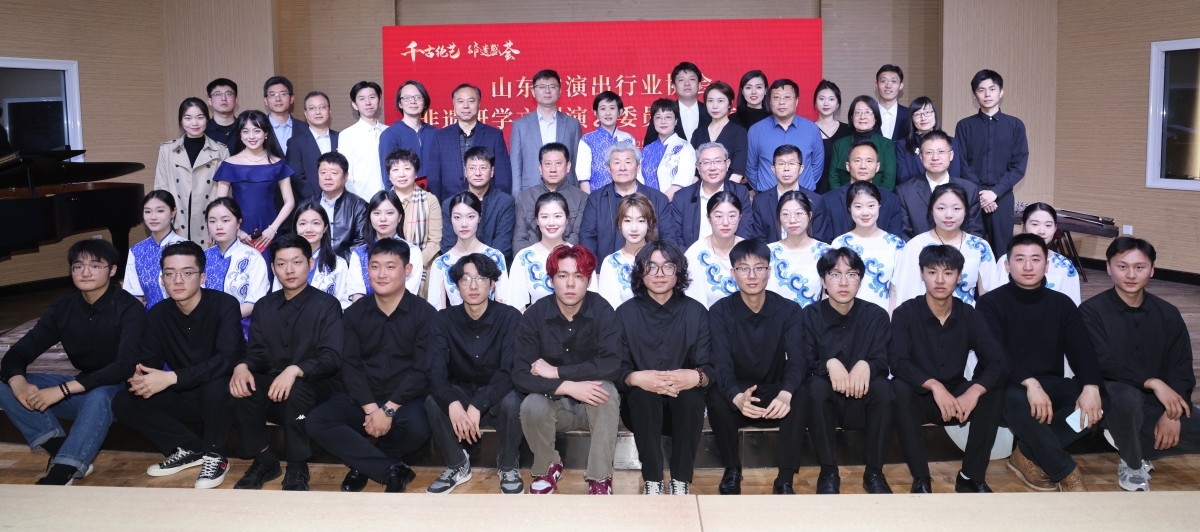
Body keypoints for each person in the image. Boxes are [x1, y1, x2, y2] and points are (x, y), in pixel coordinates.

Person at [0, 239, 143, 485]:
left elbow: (124, 367)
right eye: (78, 266)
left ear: (112, 270)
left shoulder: (130, 308)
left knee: (100, 394)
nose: (85, 272)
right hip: (81, 389)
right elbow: (21, 351)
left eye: (95, 266)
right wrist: (17, 382)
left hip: (122, 391)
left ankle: (64, 470)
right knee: (5, 383)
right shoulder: (63, 308)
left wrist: (63, 390)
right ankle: (59, 448)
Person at [110, 241, 243, 489]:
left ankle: (216, 455)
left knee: (214, 386)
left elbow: (227, 359)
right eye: (170, 274)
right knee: (124, 400)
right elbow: (149, 362)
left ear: (202, 277)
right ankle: (191, 448)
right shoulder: (158, 314)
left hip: (225, 398)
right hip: (187, 396)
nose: (178, 280)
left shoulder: (225, 305)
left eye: (187, 272)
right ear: (162, 279)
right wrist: (140, 376)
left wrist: (172, 378)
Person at [305, 238, 434, 493]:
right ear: (367, 270)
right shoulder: (354, 313)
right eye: (375, 267)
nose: (381, 274)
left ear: (407, 270)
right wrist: (372, 408)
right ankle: (390, 468)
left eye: (390, 266)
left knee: (418, 427)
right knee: (317, 421)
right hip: (362, 397)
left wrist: (388, 410)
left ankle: (362, 466)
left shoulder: (425, 314)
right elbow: (349, 364)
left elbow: (422, 369)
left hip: (405, 399)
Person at [978, 233, 1104, 493]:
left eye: (1035, 259)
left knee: (1104, 399)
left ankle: (1027, 452)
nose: (1028, 266)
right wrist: (1030, 383)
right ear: (1007, 265)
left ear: (1046, 265)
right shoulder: (989, 303)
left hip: (1048, 385)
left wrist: (1091, 386)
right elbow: (995, 355)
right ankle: (1066, 471)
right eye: (1020, 259)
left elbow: (1082, 350)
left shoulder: (1062, 304)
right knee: (1015, 397)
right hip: (1003, 385)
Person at [1081, 237, 1200, 492]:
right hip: (1112, 404)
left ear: (1152, 270)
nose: (1131, 275)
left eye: (1139, 267)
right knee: (1125, 395)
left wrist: (1173, 414)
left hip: (1157, 405)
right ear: (1109, 268)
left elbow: (1181, 367)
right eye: (1122, 266)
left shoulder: (1168, 313)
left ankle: (1129, 441)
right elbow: (1102, 362)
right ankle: (1132, 463)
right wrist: (1152, 382)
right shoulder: (1091, 311)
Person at [889, 245, 1008, 493]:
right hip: (918, 398)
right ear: (922, 274)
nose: (940, 280)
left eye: (948, 272)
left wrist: (974, 391)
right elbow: (898, 362)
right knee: (899, 387)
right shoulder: (905, 313)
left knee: (993, 390)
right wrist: (934, 386)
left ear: (960, 276)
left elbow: (997, 361)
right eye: (932, 272)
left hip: (957, 399)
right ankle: (921, 478)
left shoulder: (969, 314)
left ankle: (971, 476)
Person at [229, 235, 343, 491]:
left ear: (310, 264)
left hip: (316, 388)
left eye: (297, 262)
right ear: (273, 268)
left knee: (296, 390)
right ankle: (264, 458)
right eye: (281, 264)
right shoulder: (264, 306)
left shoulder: (327, 305)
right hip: (274, 387)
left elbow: (332, 359)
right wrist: (242, 366)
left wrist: (295, 370)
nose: (289, 270)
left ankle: (297, 464)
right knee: (241, 385)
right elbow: (257, 354)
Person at [513, 245, 621, 495]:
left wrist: (557, 372)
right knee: (531, 404)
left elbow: (612, 364)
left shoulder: (602, 310)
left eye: (579, 276)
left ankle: (600, 477)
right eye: (562, 275)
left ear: (589, 280)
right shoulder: (535, 315)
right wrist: (568, 386)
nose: (570, 283)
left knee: (606, 392)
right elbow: (520, 375)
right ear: (551, 280)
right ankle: (548, 466)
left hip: (592, 408)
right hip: (555, 405)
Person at [706, 239, 808, 495]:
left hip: (775, 393)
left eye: (759, 268)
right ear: (733, 273)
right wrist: (736, 396)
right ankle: (732, 468)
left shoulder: (789, 310)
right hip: (738, 394)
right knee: (715, 393)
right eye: (744, 268)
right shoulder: (719, 311)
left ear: (769, 271)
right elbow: (720, 363)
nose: (752, 276)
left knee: (803, 390)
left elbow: (798, 359)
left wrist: (786, 393)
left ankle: (785, 478)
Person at [424, 254, 525, 495]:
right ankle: (457, 464)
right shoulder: (443, 319)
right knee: (433, 401)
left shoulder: (510, 317)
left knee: (514, 401)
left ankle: (508, 465)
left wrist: (478, 404)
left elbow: (509, 371)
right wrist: (452, 403)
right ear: (457, 285)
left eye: (480, 279)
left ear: (492, 283)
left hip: (497, 391)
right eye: (466, 279)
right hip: (461, 389)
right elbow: (435, 370)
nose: (473, 285)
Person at [617, 239, 711, 495]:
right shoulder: (624, 314)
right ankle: (653, 481)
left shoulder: (696, 312)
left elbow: (710, 367)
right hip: (640, 411)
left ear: (678, 271)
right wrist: (635, 378)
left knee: (692, 397)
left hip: (684, 409)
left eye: (668, 266)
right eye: (651, 266)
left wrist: (696, 376)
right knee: (642, 395)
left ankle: (681, 480)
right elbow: (617, 368)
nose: (659, 274)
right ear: (641, 272)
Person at [805, 247, 895, 494]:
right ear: (823, 281)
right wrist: (828, 364)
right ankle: (828, 472)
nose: (843, 282)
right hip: (826, 405)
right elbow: (803, 361)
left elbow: (884, 361)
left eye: (851, 274)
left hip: (861, 402)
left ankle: (874, 473)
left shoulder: (876, 316)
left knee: (885, 388)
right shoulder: (809, 315)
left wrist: (867, 364)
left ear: (860, 280)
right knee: (815, 386)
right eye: (835, 274)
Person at [954, 69, 1029, 254]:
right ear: (974, 95)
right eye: (981, 90)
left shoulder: (1015, 125)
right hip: (971, 196)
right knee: (969, 250)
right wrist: (981, 194)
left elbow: (1018, 166)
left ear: (1001, 92)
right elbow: (961, 163)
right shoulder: (964, 125)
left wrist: (995, 193)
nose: (987, 94)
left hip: (1002, 197)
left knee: (1002, 252)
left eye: (992, 89)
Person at [892, 183, 996, 307]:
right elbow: (903, 293)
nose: (949, 215)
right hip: (923, 316)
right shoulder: (916, 245)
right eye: (941, 208)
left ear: (965, 211)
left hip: (967, 317)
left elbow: (989, 295)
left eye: (956, 208)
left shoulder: (980, 247)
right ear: (931, 210)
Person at [213, 110, 296, 252]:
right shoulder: (229, 164)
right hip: (237, 230)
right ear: (240, 134)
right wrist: (236, 231)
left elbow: (289, 202)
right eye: (245, 131)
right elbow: (219, 203)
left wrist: (273, 229)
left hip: (269, 231)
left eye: (257, 131)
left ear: (266, 133)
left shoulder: (278, 164)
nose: (251, 136)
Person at [579, 141, 674, 261]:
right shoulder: (596, 199)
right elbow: (587, 237)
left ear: (638, 167)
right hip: (606, 267)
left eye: (628, 162)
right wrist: (595, 268)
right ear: (608, 168)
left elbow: (669, 237)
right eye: (617, 163)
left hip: (648, 267)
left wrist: (657, 265)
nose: (622, 168)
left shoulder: (658, 199)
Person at [154, 97, 229, 246]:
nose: (194, 123)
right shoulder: (167, 150)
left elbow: (224, 194)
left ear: (207, 119)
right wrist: (166, 223)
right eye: (188, 118)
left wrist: (217, 224)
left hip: (208, 226)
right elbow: (161, 188)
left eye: (200, 117)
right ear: (181, 121)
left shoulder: (220, 151)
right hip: (176, 223)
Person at [829, 181, 906, 313]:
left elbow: (897, 290)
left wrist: (890, 319)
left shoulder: (896, 244)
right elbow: (832, 287)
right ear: (849, 208)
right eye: (858, 207)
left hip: (884, 318)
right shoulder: (839, 243)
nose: (865, 213)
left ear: (879, 205)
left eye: (871, 206)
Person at [894, 130, 985, 239]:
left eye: (941, 151)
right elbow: (904, 234)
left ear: (951, 155)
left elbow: (974, 231)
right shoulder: (905, 192)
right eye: (929, 152)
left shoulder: (969, 189)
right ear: (921, 157)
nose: (935, 157)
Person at [427, 83, 513, 199]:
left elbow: (503, 177)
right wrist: (436, 206)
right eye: (460, 101)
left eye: (471, 101)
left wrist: (500, 205)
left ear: (479, 104)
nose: (465, 106)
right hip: (449, 203)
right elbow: (434, 178)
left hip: (486, 203)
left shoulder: (494, 135)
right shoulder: (440, 136)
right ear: (454, 104)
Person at [428, 191, 510, 311]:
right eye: (457, 217)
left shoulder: (495, 257)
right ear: (450, 219)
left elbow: (504, 305)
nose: (464, 224)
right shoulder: (440, 264)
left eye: (470, 216)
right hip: (454, 322)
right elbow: (437, 311)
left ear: (479, 217)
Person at [202, 198, 269, 337]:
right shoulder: (202, 257)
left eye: (225, 220)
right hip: (204, 330)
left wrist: (220, 319)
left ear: (238, 223)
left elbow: (255, 301)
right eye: (212, 221)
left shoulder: (252, 257)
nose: (218, 226)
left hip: (242, 331)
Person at [279, 201, 366, 309]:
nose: (309, 229)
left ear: (325, 227)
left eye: (316, 223)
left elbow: (343, 306)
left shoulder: (338, 264)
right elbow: (276, 300)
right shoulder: (283, 261)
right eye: (302, 224)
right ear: (295, 227)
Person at [666, 142, 753, 249]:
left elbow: (745, 230)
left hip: (731, 255)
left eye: (718, 161)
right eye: (706, 162)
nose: (712, 168)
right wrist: (689, 257)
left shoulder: (740, 192)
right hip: (690, 257)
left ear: (728, 164)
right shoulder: (682, 197)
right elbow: (675, 236)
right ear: (698, 167)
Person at [437, 146, 517, 262]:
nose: (478, 173)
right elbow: (448, 245)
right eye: (472, 168)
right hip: (458, 267)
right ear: (465, 171)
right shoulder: (449, 204)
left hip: (493, 266)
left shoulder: (505, 202)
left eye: (483, 168)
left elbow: (502, 246)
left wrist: (480, 268)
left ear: (492, 171)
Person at [815, 140, 905, 242]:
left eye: (869, 161)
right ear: (848, 166)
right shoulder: (829, 200)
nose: (863, 166)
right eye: (857, 161)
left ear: (877, 167)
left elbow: (895, 240)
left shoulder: (891, 200)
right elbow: (824, 241)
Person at [511, 69, 583, 193]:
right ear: (533, 92)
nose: (547, 91)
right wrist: (517, 196)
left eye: (552, 86)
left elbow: (577, 162)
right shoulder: (520, 126)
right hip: (531, 191)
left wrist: (577, 193)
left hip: (566, 190)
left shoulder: (572, 124)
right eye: (542, 87)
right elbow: (516, 166)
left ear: (560, 91)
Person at [745, 79, 824, 192]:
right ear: (770, 101)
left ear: (796, 101)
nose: (781, 102)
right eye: (776, 97)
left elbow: (817, 166)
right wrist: (764, 192)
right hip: (767, 197)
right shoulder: (756, 130)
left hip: (803, 197)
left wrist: (803, 190)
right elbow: (750, 168)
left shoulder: (812, 129)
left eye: (787, 97)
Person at [994, 203, 1080, 304]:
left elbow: (1072, 305)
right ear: (1023, 226)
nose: (1041, 231)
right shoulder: (1006, 260)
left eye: (1048, 225)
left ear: (1055, 228)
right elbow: (996, 299)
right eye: (1035, 224)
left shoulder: (1065, 266)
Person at [514, 143, 588, 252]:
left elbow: (577, 235)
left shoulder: (581, 198)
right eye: (548, 164)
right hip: (532, 257)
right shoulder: (524, 197)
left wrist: (559, 257)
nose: (553, 169)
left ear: (568, 166)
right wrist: (530, 258)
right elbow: (520, 238)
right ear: (540, 168)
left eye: (558, 163)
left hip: (567, 257)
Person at [384, 148, 442, 289]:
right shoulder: (382, 202)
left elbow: (435, 241)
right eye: (395, 169)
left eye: (407, 168)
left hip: (423, 268)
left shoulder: (430, 200)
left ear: (416, 173)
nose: (401, 174)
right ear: (389, 176)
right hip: (387, 268)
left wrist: (414, 264)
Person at [351, 190, 424, 296]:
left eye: (389, 213)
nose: (383, 219)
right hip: (365, 307)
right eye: (377, 213)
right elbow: (356, 294)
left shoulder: (413, 252)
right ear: (369, 217)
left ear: (399, 217)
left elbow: (408, 293)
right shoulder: (359, 253)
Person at [509, 192, 574, 312]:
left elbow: (591, 303)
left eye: (557, 216)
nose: (551, 223)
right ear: (537, 220)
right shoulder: (524, 258)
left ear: (567, 219)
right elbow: (516, 306)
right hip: (535, 323)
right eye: (544, 217)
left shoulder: (580, 257)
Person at [124, 191, 188, 309]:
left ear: (173, 212)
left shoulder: (188, 248)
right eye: (148, 211)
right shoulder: (136, 251)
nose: (153, 217)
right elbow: (135, 296)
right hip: (150, 317)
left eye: (160, 211)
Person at [766, 191, 831, 307]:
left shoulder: (825, 251)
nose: (792, 220)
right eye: (785, 214)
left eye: (799, 213)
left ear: (809, 216)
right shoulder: (769, 251)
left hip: (814, 316)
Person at [748, 145, 823, 244]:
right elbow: (758, 240)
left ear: (801, 169)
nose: (786, 168)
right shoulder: (760, 201)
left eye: (792, 163)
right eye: (781, 164)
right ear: (773, 169)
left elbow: (819, 238)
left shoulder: (816, 200)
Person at [684, 192, 745, 309]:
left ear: (740, 217)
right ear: (708, 218)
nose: (725, 222)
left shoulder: (749, 251)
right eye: (718, 216)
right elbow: (693, 302)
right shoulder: (695, 253)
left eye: (732, 216)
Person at [595, 194, 656, 309]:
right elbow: (609, 309)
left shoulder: (661, 260)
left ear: (649, 223)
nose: (634, 228)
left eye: (641, 221)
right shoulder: (611, 263)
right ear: (619, 223)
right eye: (627, 220)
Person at [894, 97, 970, 185]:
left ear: (935, 114)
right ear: (912, 118)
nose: (923, 118)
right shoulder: (903, 145)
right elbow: (903, 179)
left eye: (927, 112)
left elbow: (954, 175)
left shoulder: (951, 141)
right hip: (915, 192)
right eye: (917, 114)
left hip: (946, 191)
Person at [827, 95, 897, 191]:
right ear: (852, 117)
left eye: (868, 112)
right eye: (858, 113)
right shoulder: (839, 144)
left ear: (876, 117)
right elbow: (833, 178)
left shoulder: (886, 144)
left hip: (877, 198)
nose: (862, 117)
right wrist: (841, 198)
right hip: (843, 197)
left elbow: (888, 181)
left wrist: (874, 199)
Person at [377, 80, 437, 189]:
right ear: (400, 104)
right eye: (407, 98)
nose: (413, 101)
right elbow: (388, 176)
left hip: (434, 196)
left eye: (418, 97)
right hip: (404, 196)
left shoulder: (435, 133)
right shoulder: (390, 134)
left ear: (425, 103)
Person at [339, 81, 389, 201]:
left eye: (372, 97)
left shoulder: (389, 132)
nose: (368, 102)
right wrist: (356, 202)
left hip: (390, 200)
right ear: (354, 105)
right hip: (362, 201)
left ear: (379, 102)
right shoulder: (347, 135)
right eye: (361, 99)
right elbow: (346, 174)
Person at [577, 91, 635, 193]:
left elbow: (635, 172)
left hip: (626, 196)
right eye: (603, 109)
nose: (608, 113)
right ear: (596, 113)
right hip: (597, 197)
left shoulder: (628, 139)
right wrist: (589, 200)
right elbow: (583, 176)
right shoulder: (587, 140)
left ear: (620, 112)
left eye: (612, 108)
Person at [286, 91, 339, 201]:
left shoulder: (341, 138)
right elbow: (296, 177)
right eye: (312, 108)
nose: (318, 112)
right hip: (312, 203)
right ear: (305, 113)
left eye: (322, 107)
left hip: (342, 200)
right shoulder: (295, 143)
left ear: (330, 110)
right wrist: (319, 200)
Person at [313, 151, 367, 260]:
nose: (327, 177)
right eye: (323, 172)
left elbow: (362, 242)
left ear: (345, 176)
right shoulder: (308, 204)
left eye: (334, 173)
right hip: (312, 263)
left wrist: (336, 262)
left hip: (346, 265)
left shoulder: (359, 206)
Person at [690, 82, 748, 184]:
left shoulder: (739, 132)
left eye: (720, 101)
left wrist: (724, 192)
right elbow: (692, 170)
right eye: (710, 101)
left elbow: (738, 172)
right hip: (701, 189)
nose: (715, 106)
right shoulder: (698, 133)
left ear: (730, 103)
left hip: (729, 189)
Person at [641, 98, 697, 202]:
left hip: (674, 207)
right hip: (646, 207)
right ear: (653, 121)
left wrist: (658, 205)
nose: (663, 121)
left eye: (668, 117)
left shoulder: (685, 148)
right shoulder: (646, 150)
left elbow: (682, 182)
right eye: (658, 117)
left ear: (676, 121)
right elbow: (639, 182)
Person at [643, 62, 710, 144]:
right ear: (674, 87)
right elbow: (649, 144)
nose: (687, 83)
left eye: (692, 79)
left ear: (699, 85)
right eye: (681, 80)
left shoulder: (710, 112)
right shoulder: (663, 113)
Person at [813, 80, 853, 194]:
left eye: (831, 99)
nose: (826, 103)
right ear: (815, 102)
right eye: (821, 99)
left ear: (838, 104)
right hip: (814, 187)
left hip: (841, 186)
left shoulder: (848, 130)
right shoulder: (808, 130)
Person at [263, 76, 304, 155]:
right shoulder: (259, 128)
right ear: (266, 100)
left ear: (291, 98)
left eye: (283, 94)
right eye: (273, 95)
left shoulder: (305, 129)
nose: (278, 99)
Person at [875, 65, 909, 140]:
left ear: (901, 85)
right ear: (876, 85)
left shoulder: (910, 114)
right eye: (883, 81)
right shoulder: (867, 115)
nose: (888, 86)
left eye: (893, 81)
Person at [205, 78, 238, 147]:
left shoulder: (245, 128)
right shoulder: (203, 130)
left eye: (228, 94)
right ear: (210, 101)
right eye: (217, 94)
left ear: (236, 100)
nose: (223, 98)